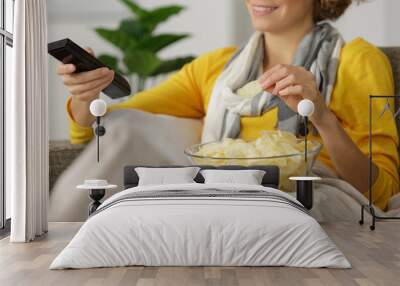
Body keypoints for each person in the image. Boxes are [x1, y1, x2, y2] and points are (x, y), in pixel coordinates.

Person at [55, 0, 399, 213]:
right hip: (220, 191)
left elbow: (380, 191)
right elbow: (109, 127)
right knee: (130, 127)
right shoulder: (216, 70)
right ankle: (63, 241)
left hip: (311, 195)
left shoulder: (357, 61)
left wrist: (321, 115)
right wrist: (87, 96)